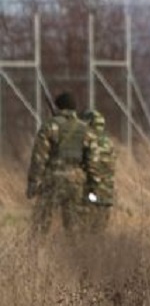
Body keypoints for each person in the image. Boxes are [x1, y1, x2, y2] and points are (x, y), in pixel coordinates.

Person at [26, 92, 99, 235]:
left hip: (51, 182)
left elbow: (39, 158)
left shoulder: (49, 127)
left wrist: (33, 183)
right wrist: (93, 187)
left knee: (40, 226)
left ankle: (36, 254)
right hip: (76, 183)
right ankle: (75, 256)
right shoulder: (86, 130)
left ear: (58, 107)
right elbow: (93, 163)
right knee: (74, 229)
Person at [80, 109, 116, 231]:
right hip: (107, 190)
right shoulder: (109, 142)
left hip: (92, 190)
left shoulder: (87, 140)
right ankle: (99, 247)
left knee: (85, 226)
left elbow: (89, 164)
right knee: (100, 227)